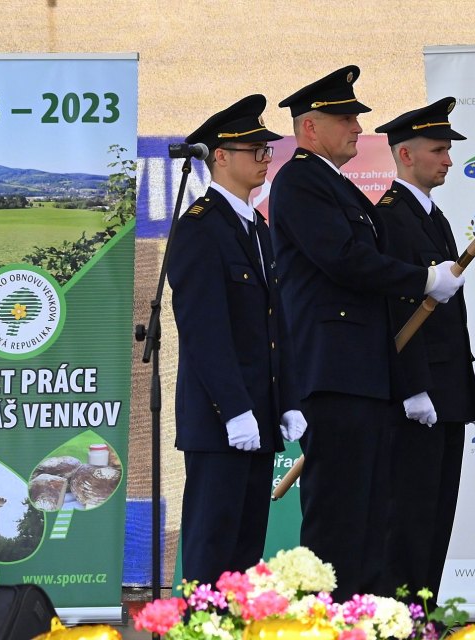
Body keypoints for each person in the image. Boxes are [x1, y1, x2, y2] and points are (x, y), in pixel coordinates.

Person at [270, 66, 465, 600]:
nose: (358, 127)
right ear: (310, 128)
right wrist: (422, 279)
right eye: (345, 118)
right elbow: (344, 259)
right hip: (334, 371)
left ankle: (362, 618)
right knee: (337, 515)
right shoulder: (300, 181)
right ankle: (322, 621)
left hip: (364, 372)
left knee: (370, 516)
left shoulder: (337, 185)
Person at [167, 94, 306, 585]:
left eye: (268, 150)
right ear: (221, 156)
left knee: (245, 553)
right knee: (212, 549)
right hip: (221, 421)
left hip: (258, 417)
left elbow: (274, 324)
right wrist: (234, 409)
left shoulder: (257, 227)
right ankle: (199, 625)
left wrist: (285, 400)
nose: (266, 158)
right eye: (256, 150)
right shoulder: (200, 228)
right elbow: (203, 331)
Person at [373, 98, 475, 602]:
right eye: (438, 150)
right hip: (418, 396)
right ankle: (398, 618)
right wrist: (413, 387)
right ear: (405, 154)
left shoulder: (432, 217)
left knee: (438, 517)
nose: (448, 160)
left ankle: (422, 613)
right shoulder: (390, 218)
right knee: (409, 520)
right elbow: (396, 310)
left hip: (447, 390)